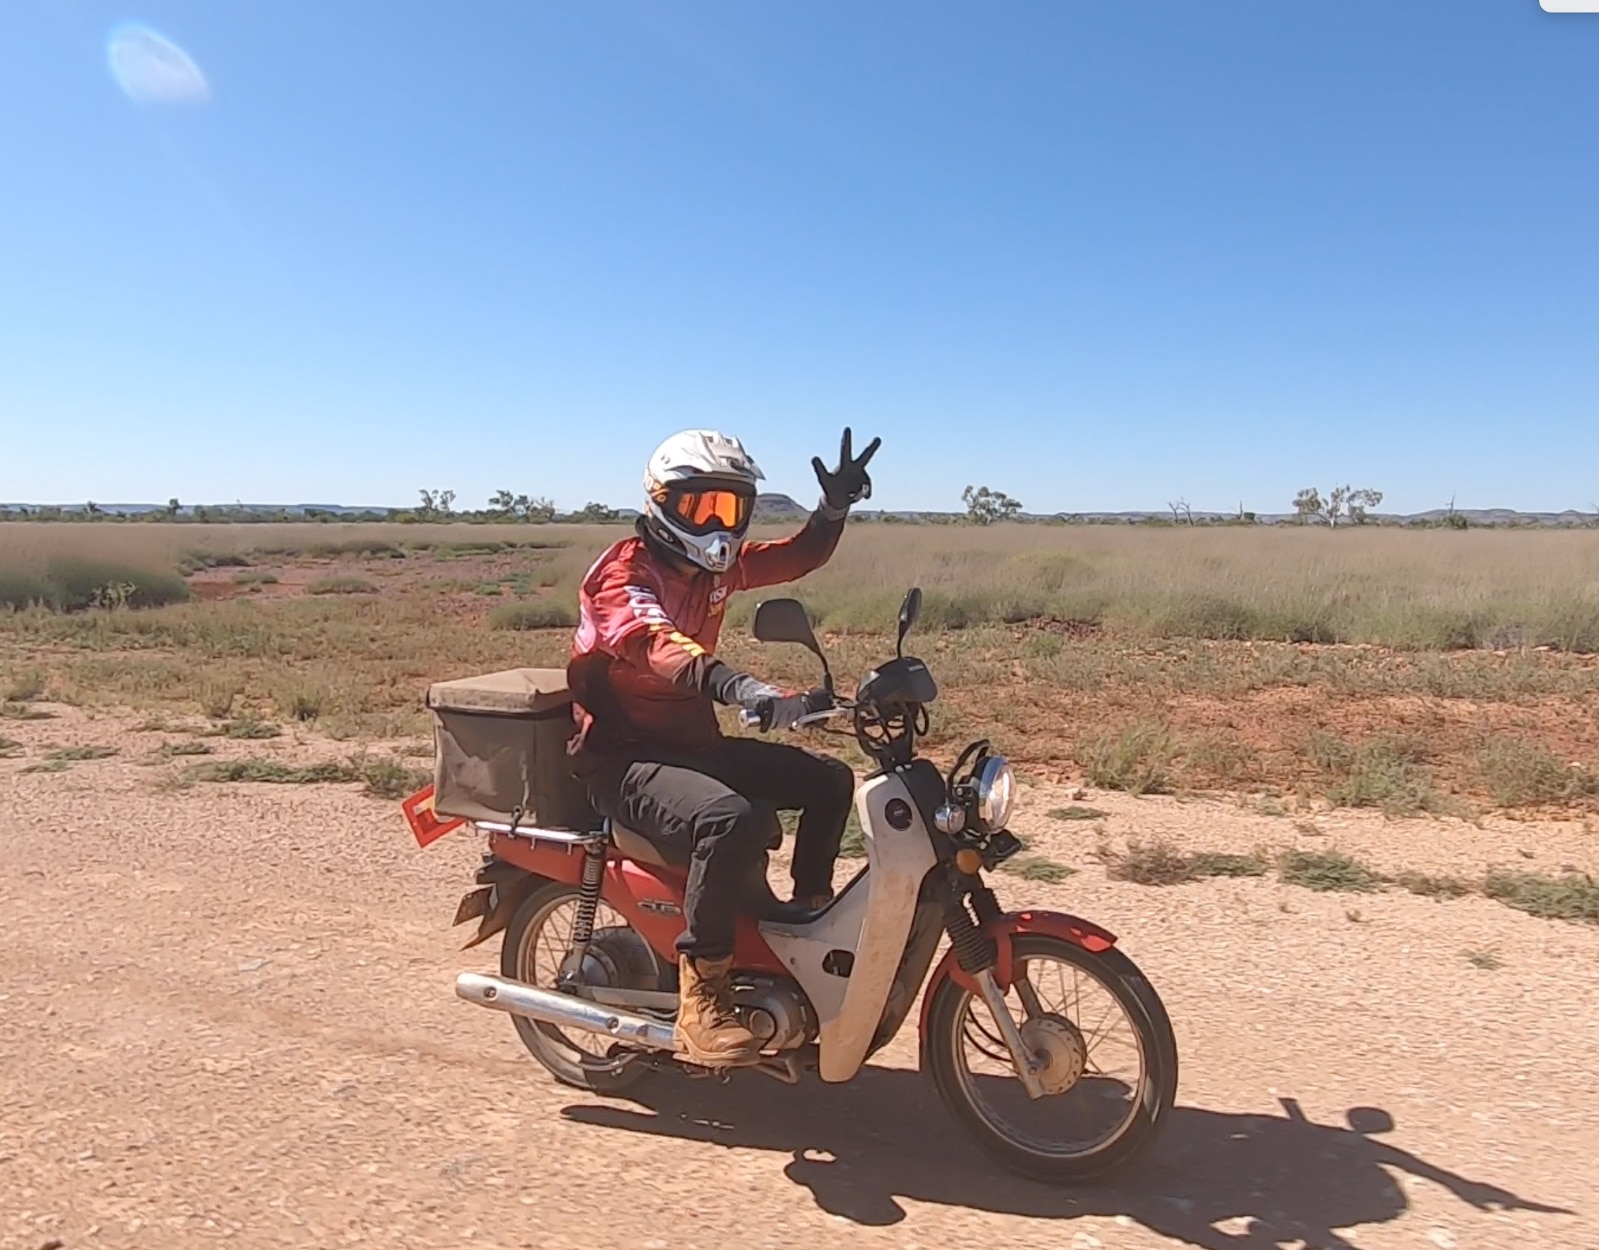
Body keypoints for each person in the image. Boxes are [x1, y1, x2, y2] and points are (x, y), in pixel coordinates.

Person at [566, 427, 879, 1068]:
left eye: (731, 508)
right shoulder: (623, 573)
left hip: (688, 743)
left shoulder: (718, 571)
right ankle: (701, 1000)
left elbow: (796, 557)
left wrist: (834, 510)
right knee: (726, 819)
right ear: (662, 503)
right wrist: (738, 685)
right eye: (702, 506)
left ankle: (807, 919)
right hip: (622, 759)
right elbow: (656, 644)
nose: (719, 523)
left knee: (828, 781)